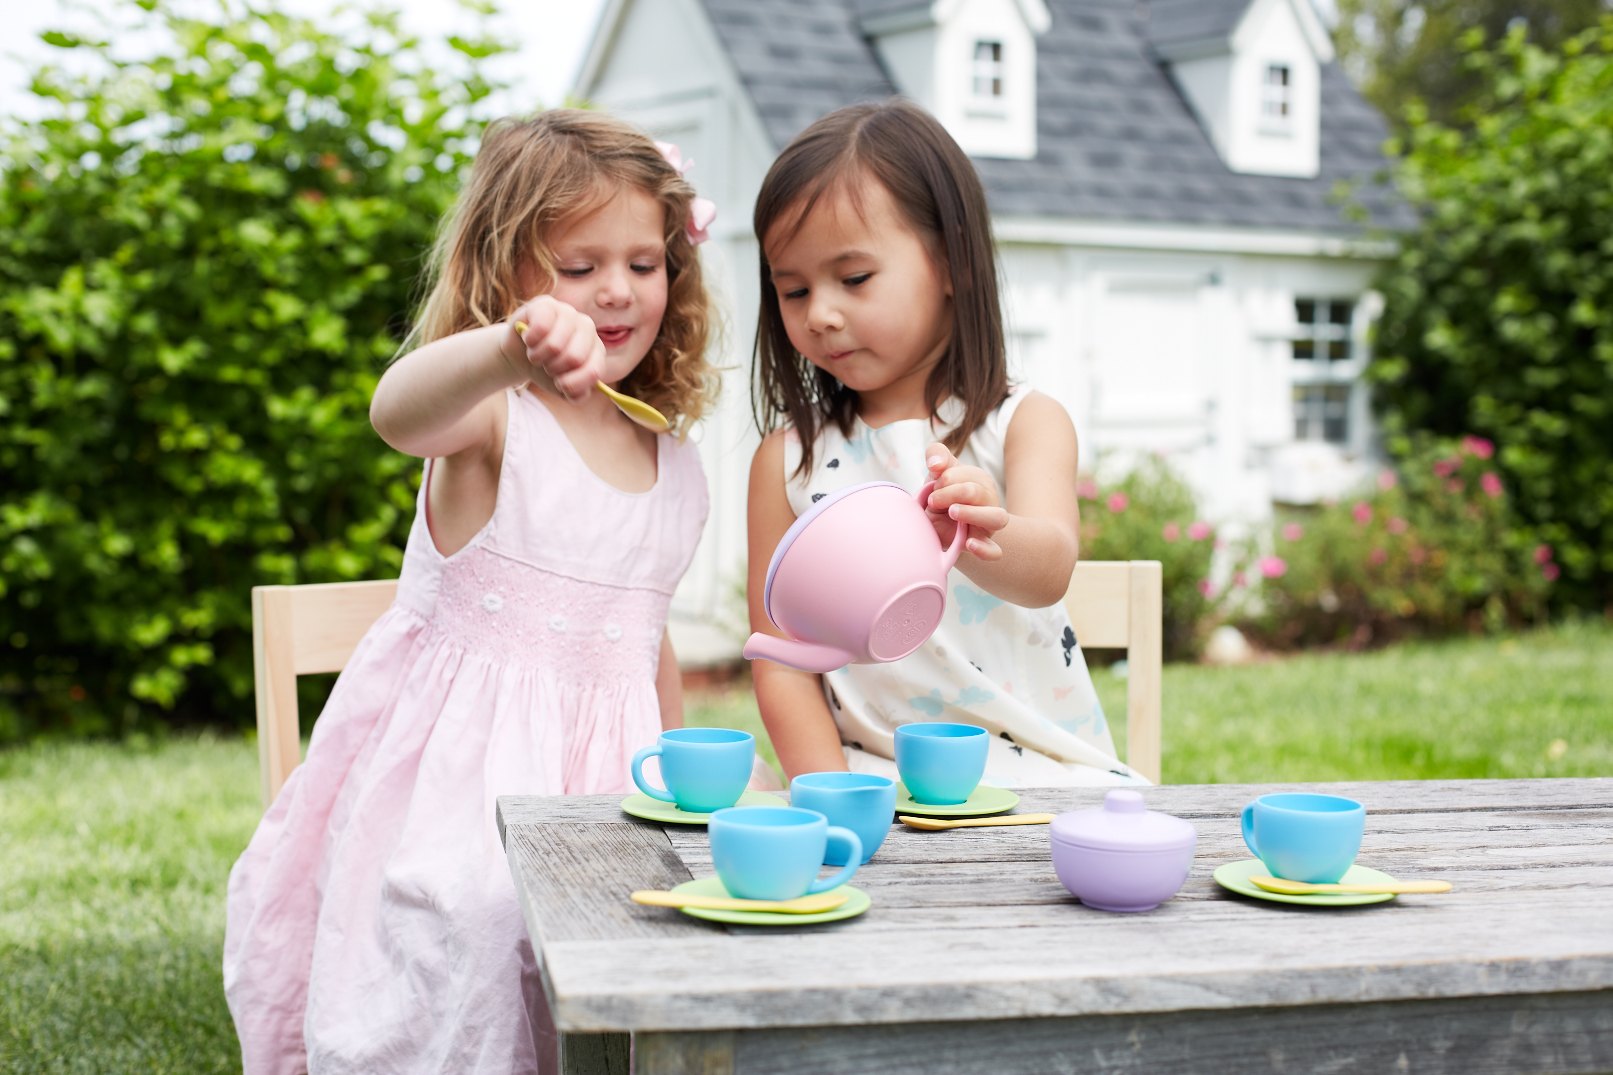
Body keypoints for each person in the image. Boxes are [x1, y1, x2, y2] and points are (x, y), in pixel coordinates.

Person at [224, 109, 721, 1075]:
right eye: (577, 268)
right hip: (459, 799)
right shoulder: (494, 416)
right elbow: (394, 412)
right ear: (505, 276)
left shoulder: (677, 466)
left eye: (644, 263)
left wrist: (686, 794)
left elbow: (643, 641)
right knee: (484, 918)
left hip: (612, 792)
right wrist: (506, 351)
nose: (616, 291)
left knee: (650, 945)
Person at [746, 99, 1144, 789]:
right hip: (870, 776)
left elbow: (1048, 565)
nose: (820, 314)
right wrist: (831, 793)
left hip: (1034, 776)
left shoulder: (1020, 422)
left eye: (854, 278)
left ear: (951, 262)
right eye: (793, 289)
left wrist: (988, 530)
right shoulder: (787, 459)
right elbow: (781, 658)